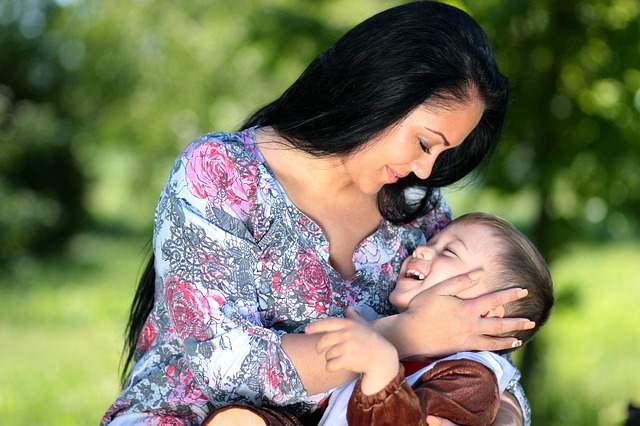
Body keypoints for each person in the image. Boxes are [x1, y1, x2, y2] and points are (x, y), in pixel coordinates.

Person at [102, 2, 535, 425]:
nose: (425, 169)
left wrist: (499, 416)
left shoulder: (415, 206)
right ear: (380, 90)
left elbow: (485, 354)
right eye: (425, 143)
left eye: (442, 153)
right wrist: (407, 334)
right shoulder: (221, 172)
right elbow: (225, 366)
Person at [307, 212, 554, 426]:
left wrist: (382, 371)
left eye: (449, 251)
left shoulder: (471, 381)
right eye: (431, 242)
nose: (421, 249)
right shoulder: (422, 360)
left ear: (488, 312)